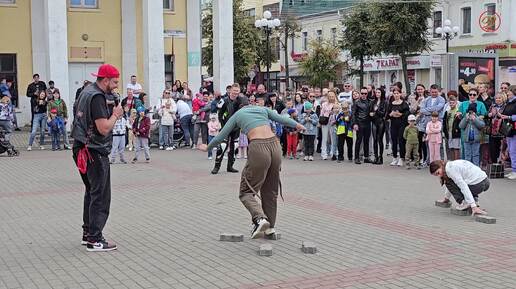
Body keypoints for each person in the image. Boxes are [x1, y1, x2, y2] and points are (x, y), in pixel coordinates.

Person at [198, 103, 305, 239]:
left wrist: (207, 148)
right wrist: (297, 125)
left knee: (246, 192)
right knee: (270, 191)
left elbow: (221, 136)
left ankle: (260, 219)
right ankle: (270, 229)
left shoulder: (238, 114)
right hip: (275, 146)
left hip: (259, 147)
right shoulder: (262, 109)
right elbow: (282, 119)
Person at [71, 63, 124, 252]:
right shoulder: (97, 97)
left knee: (92, 191)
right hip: (93, 150)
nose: (117, 85)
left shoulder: (86, 92)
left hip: (81, 147)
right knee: (100, 195)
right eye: (115, 81)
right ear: (106, 80)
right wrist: (116, 115)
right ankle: (95, 239)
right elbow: (103, 128)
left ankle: (88, 233)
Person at [212, 83, 248, 174]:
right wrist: (220, 124)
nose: (235, 93)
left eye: (237, 91)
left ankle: (230, 166)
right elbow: (218, 113)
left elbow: (244, 113)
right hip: (225, 127)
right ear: (230, 91)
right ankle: (216, 166)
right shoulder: (224, 101)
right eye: (234, 91)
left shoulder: (241, 100)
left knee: (234, 146)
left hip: (236, 128)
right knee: (223, 146)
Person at [417, 84, 445, 167]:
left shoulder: (441, 99)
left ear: (438, 91)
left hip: (438, 123)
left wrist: (427, 111)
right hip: (427, 124)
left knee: (438, 144)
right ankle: (429, 160)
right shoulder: (426, 99)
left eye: (435, 92)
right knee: (428, 143)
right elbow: (422, 110)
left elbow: (439, 108)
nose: (434, 93)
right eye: (432, 92)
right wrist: (432, 111)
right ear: (430, 91)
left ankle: (440, 161)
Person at [386, 87, 410, 167]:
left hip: (402, 124)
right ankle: (394, 157)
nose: (396, 95)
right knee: (393, 141)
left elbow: (407, 114)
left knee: (401, 141)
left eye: (397, 93)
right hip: (393, 124)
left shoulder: (404, 103)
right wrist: (391, 114)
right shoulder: (391, 103)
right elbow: (387, 116)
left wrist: (400, 114)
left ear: (400, 94)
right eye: (394, 93)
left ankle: (401, 158)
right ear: (393, 94)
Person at [352, 88, 372, 164]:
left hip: (367, 123)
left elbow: (372, 111)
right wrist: (355, 124)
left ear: (367, 94)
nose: (363, 95)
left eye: (365, 93)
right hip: (359, 123)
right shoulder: (356, 102)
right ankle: (356, 158)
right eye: (362, 93)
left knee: (366, 141)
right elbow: (353, 114)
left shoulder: (370, 102)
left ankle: (366, 157)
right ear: (360, 93)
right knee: (359, 141)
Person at [501, 85, 516, 180]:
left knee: (513, 151)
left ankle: (515, 170)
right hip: (508, 129)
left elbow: (512, 116)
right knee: (510, 150)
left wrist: (509, 117)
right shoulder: (508, 103)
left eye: (509, 91)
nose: (507, 93)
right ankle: (514, 170)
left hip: (514, 129)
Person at [370, 88, 387, 165]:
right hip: (374, 122)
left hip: (381, 122)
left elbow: (383, 113)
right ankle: (376, 157)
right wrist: (371, 114)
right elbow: (370, 111)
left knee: (380, 139)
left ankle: (380, 157)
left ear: (382, 93)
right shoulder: (373, 102)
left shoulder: (384, 102)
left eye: (379, 92)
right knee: (375, 140)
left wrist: (376, 110)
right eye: (376, 92)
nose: (377, 94)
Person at [443, 95, 461, 161]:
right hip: (449, 132)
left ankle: (457, 162)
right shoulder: (447, 112)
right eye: (450, 103)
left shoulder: (458, 111)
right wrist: (445, 131)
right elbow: (445, 122)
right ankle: (453, 162)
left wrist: (458, 130)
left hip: (456, 132)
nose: (451, 104)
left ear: (456, 102)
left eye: (453, 103)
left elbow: (460, 122)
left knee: (456, 148)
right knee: (451, 148)